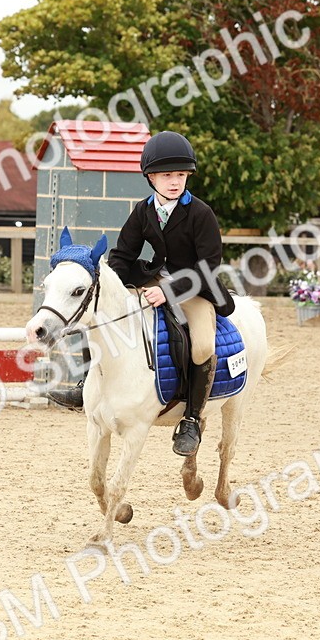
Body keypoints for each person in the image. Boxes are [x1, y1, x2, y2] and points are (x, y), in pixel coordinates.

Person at [109, 130, 234, 456]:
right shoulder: (143, 211)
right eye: (167, 175)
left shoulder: (201, 213)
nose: (175, 181)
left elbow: (209, 264)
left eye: (181, 175)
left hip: (194, 287)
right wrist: (114, 287)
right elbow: (122, 255)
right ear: (151, 177)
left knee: (202, 345)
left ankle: (191, 419)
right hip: (152, 281)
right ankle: (87, 384)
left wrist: (168, 291)